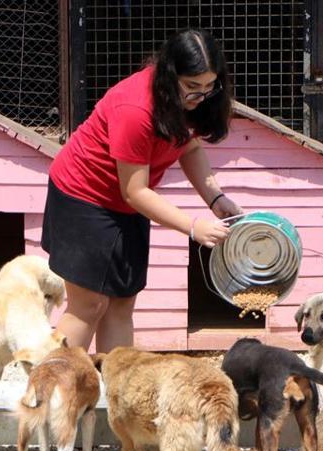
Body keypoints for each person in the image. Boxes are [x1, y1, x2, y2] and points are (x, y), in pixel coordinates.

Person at [42, 28, 243, 352]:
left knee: (122, 302)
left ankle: (115, 382)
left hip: (127, 205)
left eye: (210, 86)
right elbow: (134, 191)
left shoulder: (191, 101)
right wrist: (193, 227)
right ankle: (52, 383)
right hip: (83, 195)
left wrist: (215, 198)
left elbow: (189, 147)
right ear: (169, 74)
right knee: (89, 305)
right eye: (192, 86)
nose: (201, 96)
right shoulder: (135, 108)